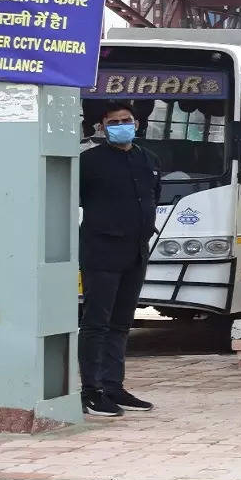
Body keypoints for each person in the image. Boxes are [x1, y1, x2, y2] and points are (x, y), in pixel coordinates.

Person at [79, 101, 161, 417]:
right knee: (96, 322)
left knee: (121, 323)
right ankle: (92, 390)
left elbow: (154, 195)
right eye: (113, 122)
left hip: (136, 252)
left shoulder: (148, 160)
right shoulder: (89, 162)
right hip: (101, 252)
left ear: (136, 124)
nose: (120, 126)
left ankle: (114, 385)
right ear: (102, 127)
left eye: (126, 120)